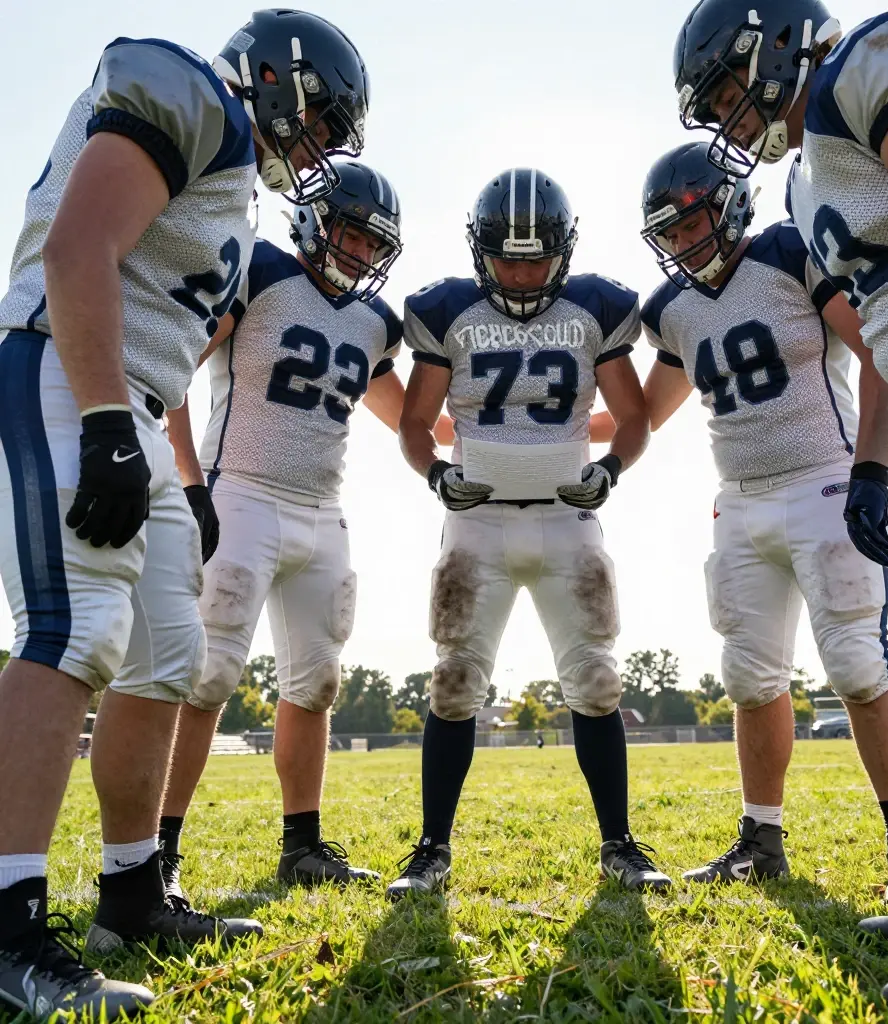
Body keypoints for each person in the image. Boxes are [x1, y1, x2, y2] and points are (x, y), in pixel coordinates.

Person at [0, 10, 370, 1017]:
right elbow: (80, 251)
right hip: (65, 374)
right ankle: (8, 921)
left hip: (131, 397)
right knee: (70, 629)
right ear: (281, 79)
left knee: (168, 650)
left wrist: (171, 463)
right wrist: (108, 421)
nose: (322, 150)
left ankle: (131, 891)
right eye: (324, 123)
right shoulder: (190, 91)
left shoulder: (234, 177)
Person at [674, 0, 888, 1010]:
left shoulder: (870, 59)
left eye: (732, 91)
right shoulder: (804, 167)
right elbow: (884, 316)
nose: (733, 119)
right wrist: (874, 465)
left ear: (772, 42)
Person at [592, 141, 888, 903]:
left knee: (855, 661)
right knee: (749, 674)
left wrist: (873, 469)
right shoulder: (671, 311)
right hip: (739, 499)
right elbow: (642, 416)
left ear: (731, 204)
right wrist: (536, 432)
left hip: (824, 480)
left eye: (694, 223)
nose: (685, 243)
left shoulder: (790, 252)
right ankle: (761, 838)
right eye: (671, 234)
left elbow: (878, 351)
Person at [159, 160, 452, 896]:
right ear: (317, 221)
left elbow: (412, 422)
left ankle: (302, 843)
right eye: (350, 233)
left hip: (322, 508)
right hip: (242, 495)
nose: (358, 253)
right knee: (210, 674)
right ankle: (159, 846)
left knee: (316, 678)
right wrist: (191, 480)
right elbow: (170, 373)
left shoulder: (373, 323)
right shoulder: (257, 272)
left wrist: (546, 433)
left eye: (371, 243)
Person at [386, 167, 670, 899]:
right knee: (454, 684)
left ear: (565, 250)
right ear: (480, 250)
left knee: (598, 681)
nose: (519, 272)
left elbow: (633, 419)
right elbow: (416, 425)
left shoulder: (595, 310)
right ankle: (431, 850)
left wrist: (611, 469)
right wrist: (433, 474)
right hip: (474, 521)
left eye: (534, 257)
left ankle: (619, 843)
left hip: (567, 517)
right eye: (505, 257)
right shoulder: (445, 311)